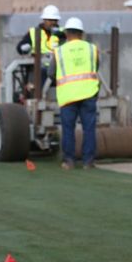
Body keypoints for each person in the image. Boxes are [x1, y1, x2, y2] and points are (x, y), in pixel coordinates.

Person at [53, 17, 101, 170]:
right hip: (88, 93)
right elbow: (96, 66)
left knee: (68, 129)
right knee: (89, 128)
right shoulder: (92, 48)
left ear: (66, 33)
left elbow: (50, 72)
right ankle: (88, 162)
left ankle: (69, 161)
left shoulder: (59, 51)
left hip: (68, 96)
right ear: (82, 33)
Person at [13, 4, 63, 101]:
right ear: (44, 20)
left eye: (55, 20)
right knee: (38, 76)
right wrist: (24, 48)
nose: (53, 23)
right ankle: (36, 99)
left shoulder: (62, 33)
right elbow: (20, 47)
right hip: (40, 69)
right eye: (50, 20)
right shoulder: (33, 33)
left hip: (58, 69)